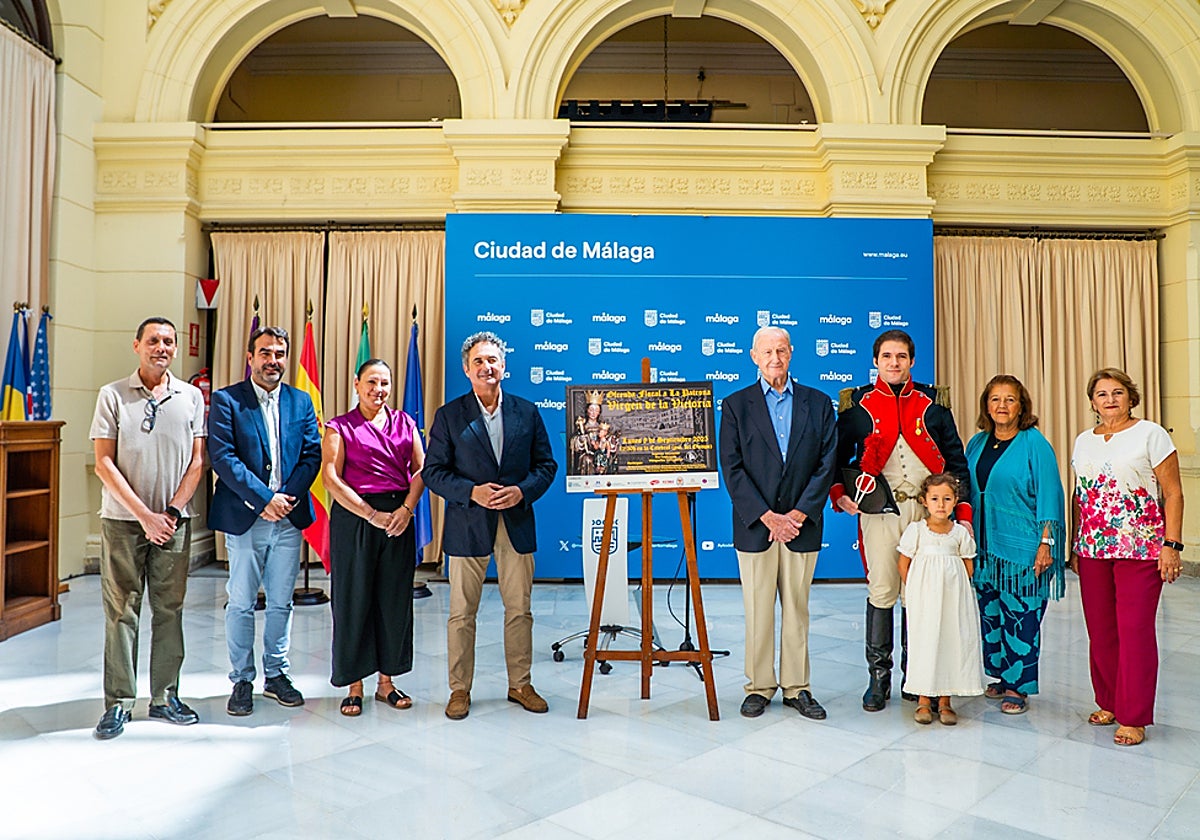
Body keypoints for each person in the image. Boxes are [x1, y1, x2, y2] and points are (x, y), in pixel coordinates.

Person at [829, 329, 972, 712]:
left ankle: (917, 676)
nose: (894, 363)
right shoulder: (855, 403)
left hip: (926, 512)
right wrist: (839, 494)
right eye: (887, 356)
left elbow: (956, 461)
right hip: (879, 510)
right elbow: (838, 456)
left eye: (902, 356)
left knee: (918, 594)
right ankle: (879, 680)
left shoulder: (932, 403)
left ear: (912, 361)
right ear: (876, 360)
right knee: (882, 589)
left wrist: (963, 514)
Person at [423, 331, 558, 720]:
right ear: (467, 369)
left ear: (504, 367)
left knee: (520, 610)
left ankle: (520, 684)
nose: (487, 367)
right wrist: (471, 492)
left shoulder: (527, 412)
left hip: (515, 523)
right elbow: (433, 472)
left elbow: (546, 467)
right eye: (478, 361)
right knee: (462, 614)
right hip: (468, 526)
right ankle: (459, 690)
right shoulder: (449, 415)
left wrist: (522, 491)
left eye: (493, 360)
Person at [89, 317, 206, 739]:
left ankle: (165, 697)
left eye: (169, 341)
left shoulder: (191, 396)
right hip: (123, 523)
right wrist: (144, 515)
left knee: (169, 610)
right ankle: (119, 702)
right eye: (153, 340)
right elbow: (104, 462)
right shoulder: (113, 395)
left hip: (174, 522)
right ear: (136, 345)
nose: (162, 347)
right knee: (122, 610)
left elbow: (196, 462)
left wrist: (171, 513)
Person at [719, 326, 837, 720]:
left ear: (792, 353)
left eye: (782, 350)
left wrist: (798, 515)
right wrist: (769, 517)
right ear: (753, 356)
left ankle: (797, 687)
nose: (775, 358)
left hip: (802, 526)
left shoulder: (819, 404)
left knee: (797, 610)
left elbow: (826, 466)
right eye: (767, 351)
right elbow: (732, 469)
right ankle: (759, 686)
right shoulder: (736, 405)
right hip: (757, 527)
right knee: (758, 610)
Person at [208, 326, 322, 716]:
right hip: (246, 516)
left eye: (279, 353)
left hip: (288, 518)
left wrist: (284, 499)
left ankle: (276, 674)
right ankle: (241, 679)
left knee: (281, 602)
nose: (273, 360)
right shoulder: (227, 401)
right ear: (250, 356)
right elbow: (223, 457)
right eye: (265, 353)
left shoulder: (301, 401)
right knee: (240, 602)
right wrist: (263, 500)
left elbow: (312, 455)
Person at [1071, 368, 1184, 747]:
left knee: (1134, 631)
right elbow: (1080, 495)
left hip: (1141, 548)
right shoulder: (1083, 441)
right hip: (1092, 548)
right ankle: (1109, 701)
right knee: (1101, 630)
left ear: (1130, 397)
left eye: (1117, 392)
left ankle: (1134, 716)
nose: (1110, 400)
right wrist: (1075, 541)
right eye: (1101, 394)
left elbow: (1173, 493)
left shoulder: (1151, 434)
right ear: (1092, 403)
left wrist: (1172, 544)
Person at [321, 359, 426, 716]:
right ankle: (354, 684)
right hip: (356, 518)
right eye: (371, 382)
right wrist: (370, 514)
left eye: (384, 383)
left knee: (393, 601)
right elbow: (331, 478)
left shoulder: (405, 422)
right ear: (356, 384)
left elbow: (421, 469)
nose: (378, 389)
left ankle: (386, 683)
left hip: (398, 517)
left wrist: (406, 510)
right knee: (354, 599)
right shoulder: (339, 426)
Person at [965, 375, 1065, 715]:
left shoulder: (1034, 444)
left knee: (1021, 618)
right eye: (995, 399)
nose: (1002, 406)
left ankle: (1018, 687)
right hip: (985, 551)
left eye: (1009, 399)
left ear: (1021, 405)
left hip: (1023, 550)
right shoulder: (976, 444)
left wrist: (1046, 543)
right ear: (986, 405)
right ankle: (999, 676)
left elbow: (1050, 497)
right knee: (990, 615)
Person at [898, 473, 984, 725]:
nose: (941, 504)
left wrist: (955, 590)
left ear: (955, 501)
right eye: (935, 499)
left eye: (947, 499)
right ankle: (924, 699)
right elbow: (904, 565)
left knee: (950, 641)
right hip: (925, 600)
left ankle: (945, 701)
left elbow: (968, 565)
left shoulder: (959, 533)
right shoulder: (916, 531)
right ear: (924, 501)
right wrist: (918, 590)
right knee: (925, 643)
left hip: (953, 600)